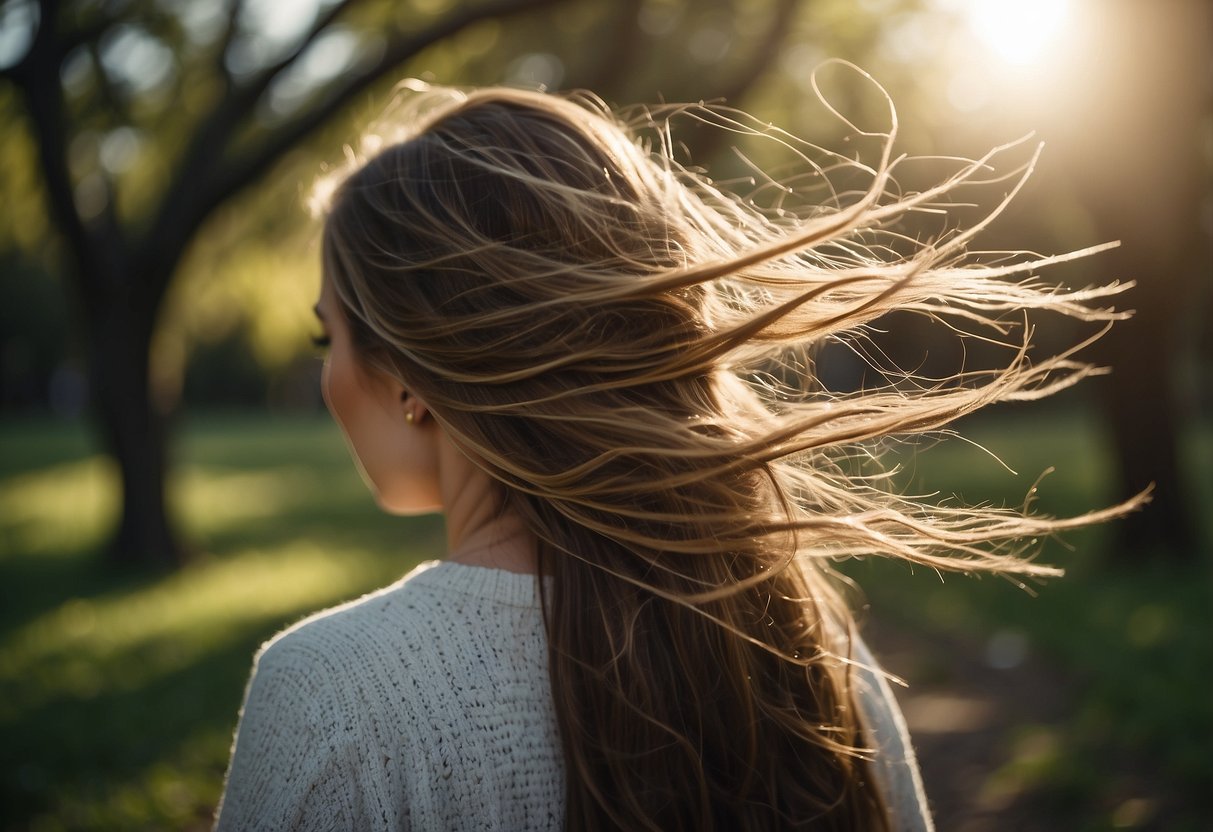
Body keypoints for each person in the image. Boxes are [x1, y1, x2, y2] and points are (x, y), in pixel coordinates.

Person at [214, 71, 1137, 831]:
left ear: (410, 371)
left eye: (324, 337)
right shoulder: (807, 650)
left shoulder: (329, 696)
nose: (328, 376)